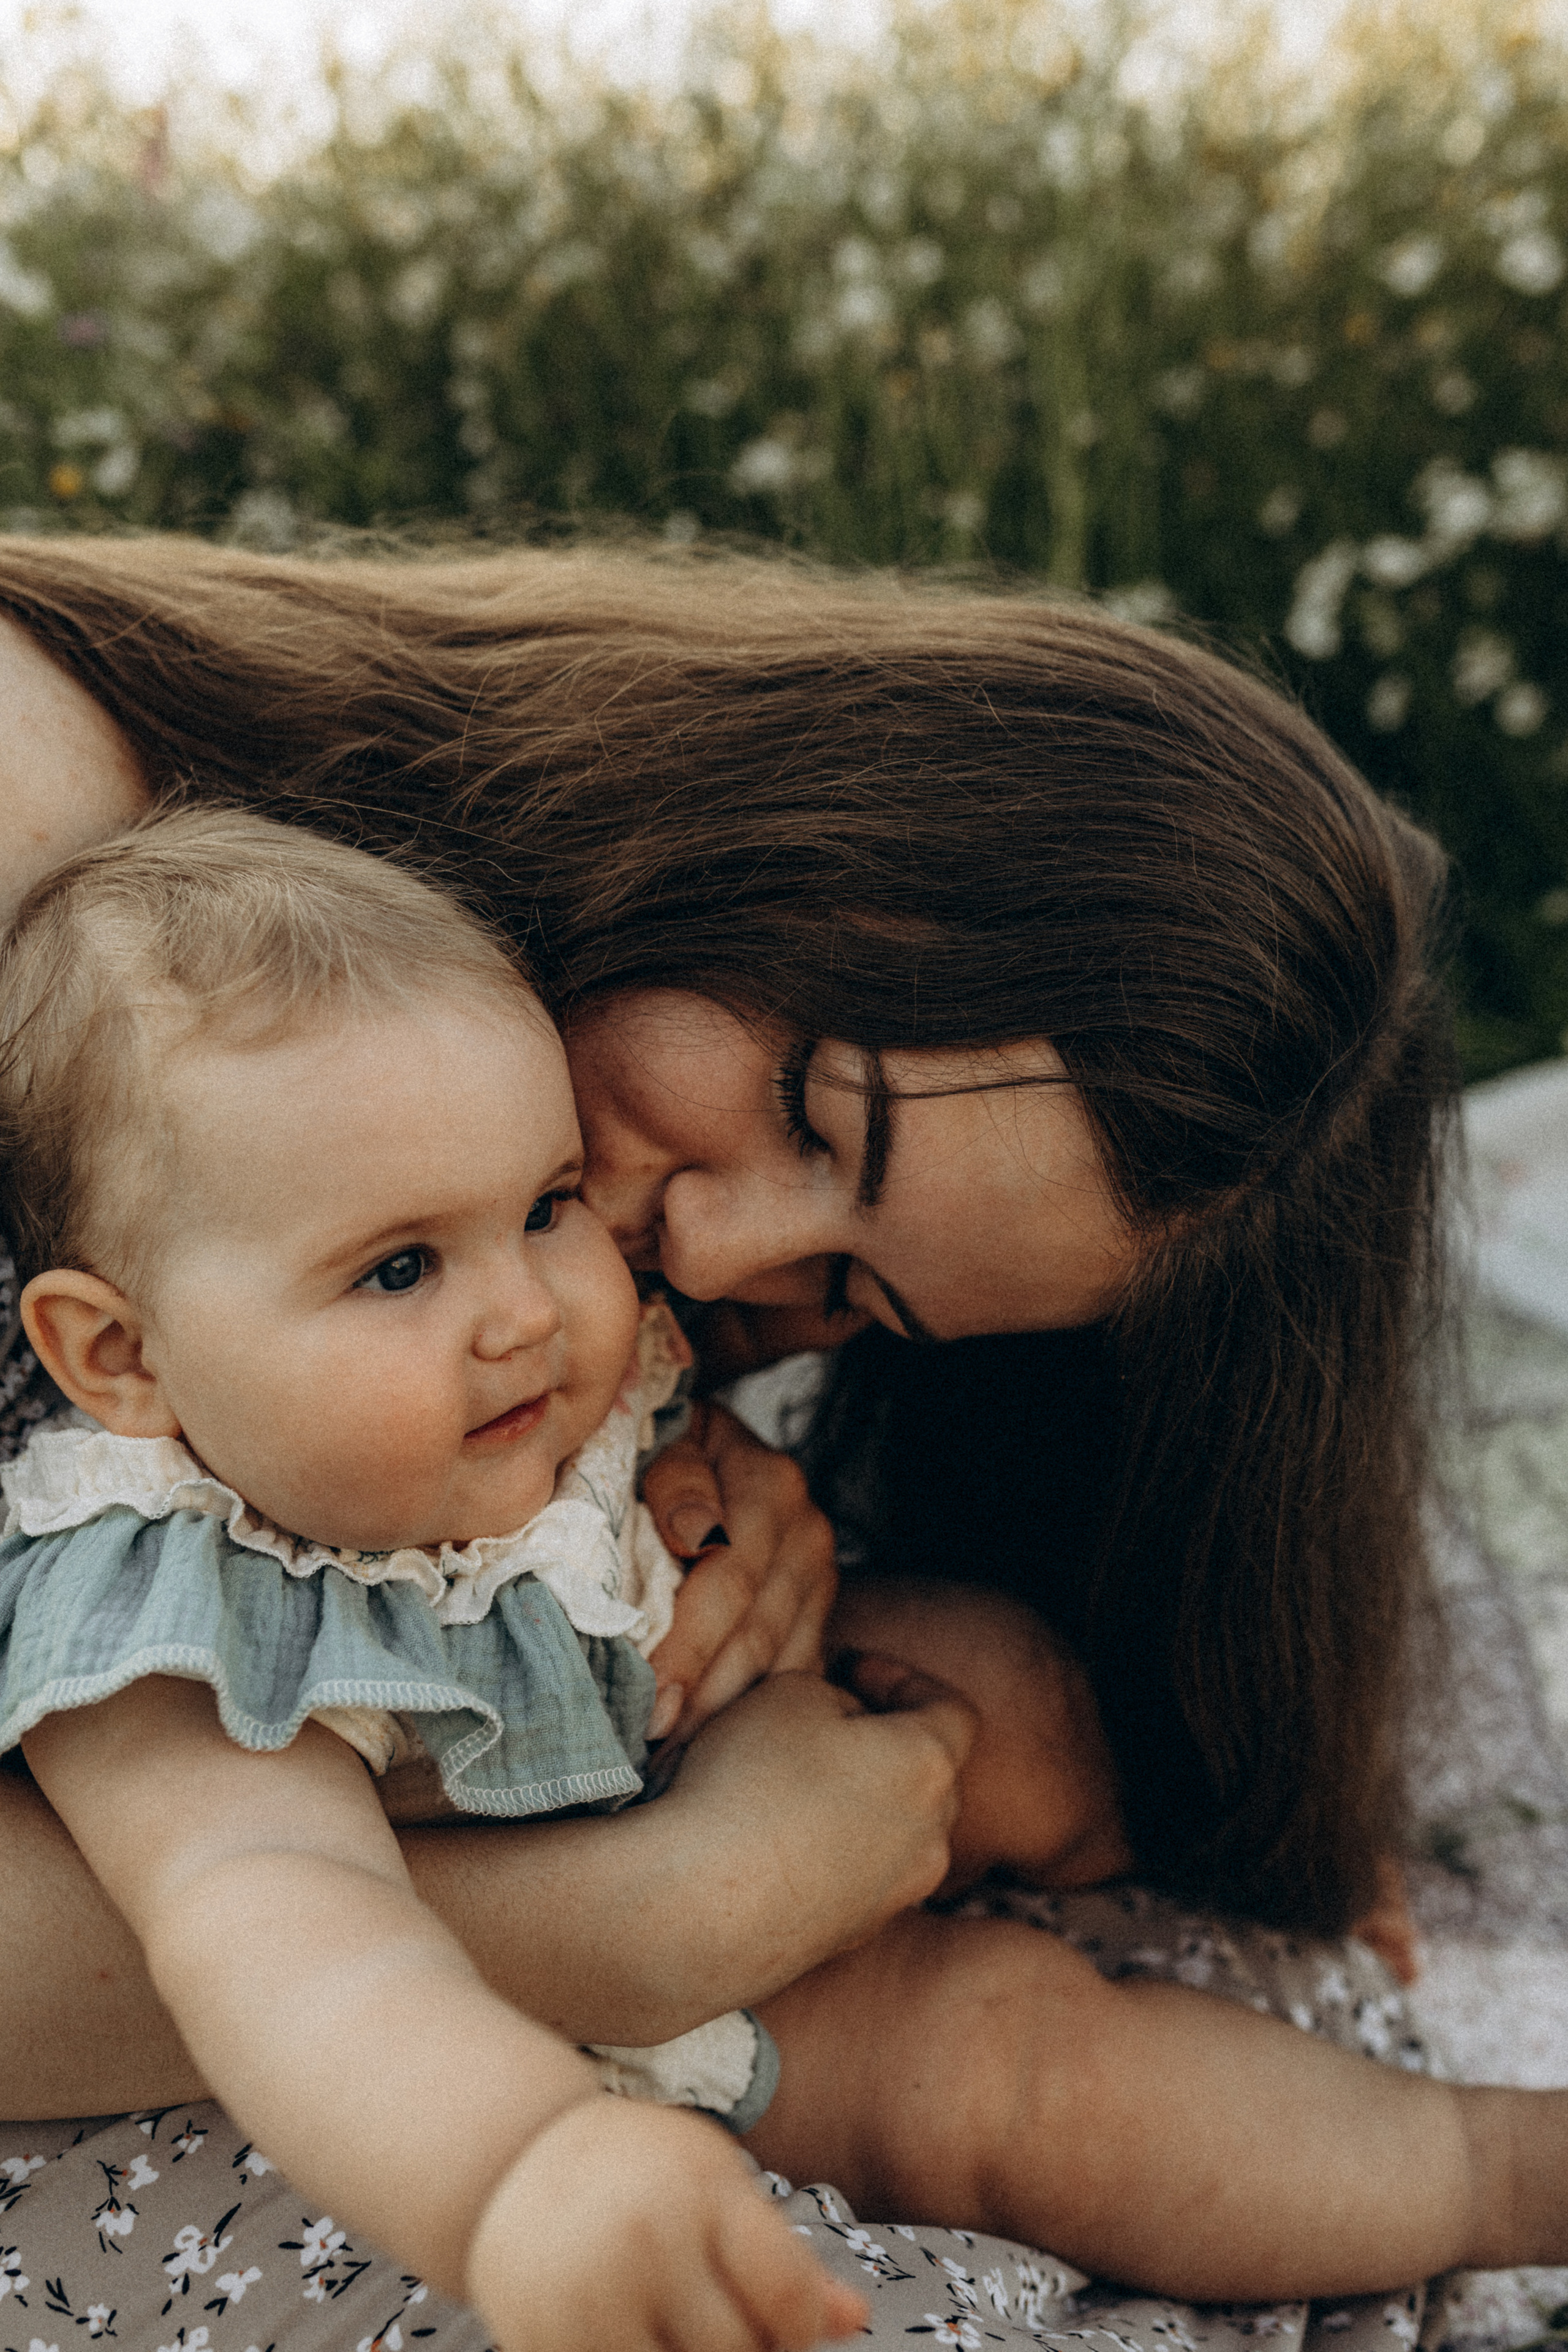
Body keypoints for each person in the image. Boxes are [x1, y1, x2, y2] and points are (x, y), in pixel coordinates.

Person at [0, 537, 1531, 2348]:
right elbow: (262, 1895)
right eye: (810, 1112)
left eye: (851, 1295)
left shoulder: (511, 1274)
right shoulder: (55, 851)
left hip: (584, 1912)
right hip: (349, 2057)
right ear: (788, 835)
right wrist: (660, 1924)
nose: (716, 1265)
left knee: (1060, 1895)